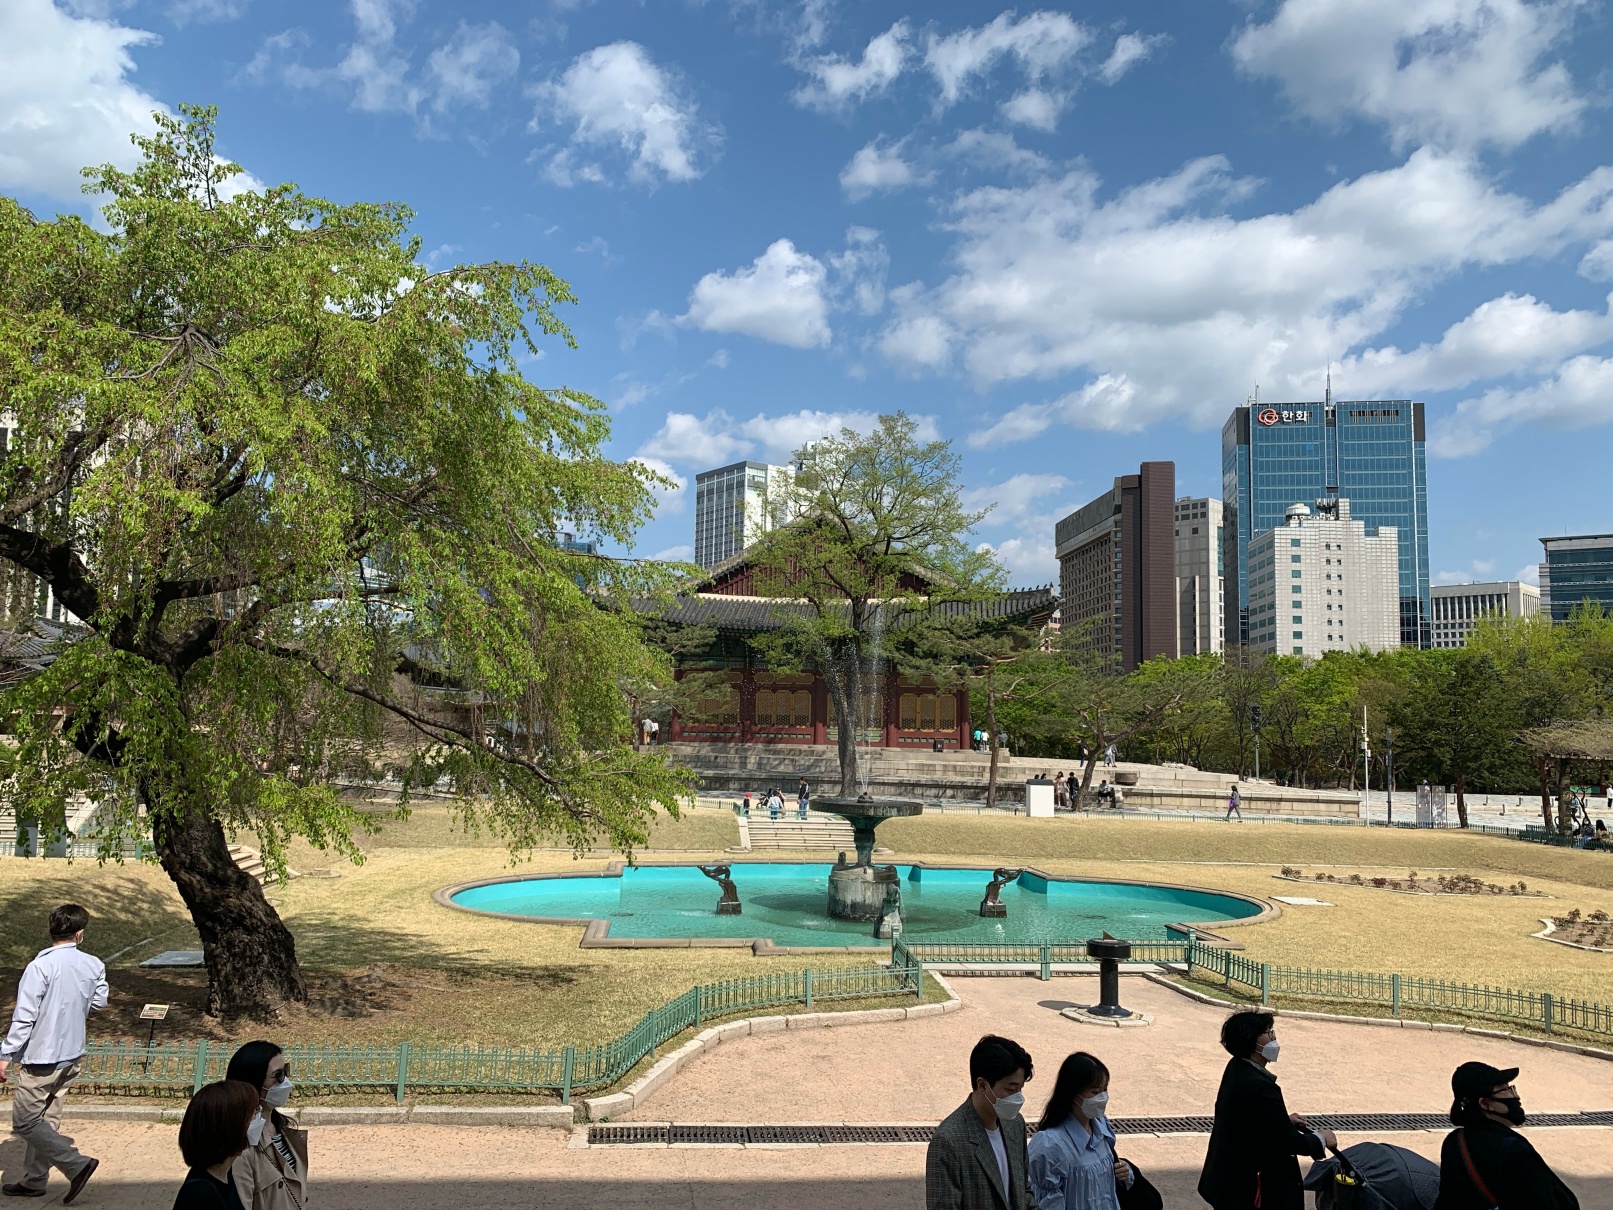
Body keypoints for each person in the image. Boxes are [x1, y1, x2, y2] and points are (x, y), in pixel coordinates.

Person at [0, 904, 107, 1205]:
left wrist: (6, 1054)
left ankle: (76, 1165)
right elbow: (99, 1002)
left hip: (42, 1057)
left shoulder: (40, 967)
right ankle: (35, 1180)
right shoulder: (94, 964)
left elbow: (24, 1016)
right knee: (47, 1120)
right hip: (72, 1053)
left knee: (24, 1122)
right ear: (79, 934)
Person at [1198, 1010, 1334, 1210]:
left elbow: (1250, 1120)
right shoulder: (1259, 1085)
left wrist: (1283, 1120)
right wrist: (1321, 1139)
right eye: (1268, 1032)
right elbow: (1287, 1141)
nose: (1273, 1037)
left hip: (1227, 1182)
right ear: (1251, 1041)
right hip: (1248, 1189)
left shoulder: (1237, 1068)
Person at [1434, 1062, 1578, 1209]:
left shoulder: (1454, 1141)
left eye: (1511, 1088)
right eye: (1505, 1090)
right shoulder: (1514, 1150)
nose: (1515, 1096)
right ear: (1485, 1104)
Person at [926, 1035, 1038, 1210]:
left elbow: (1023, 1191)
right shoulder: (949, 1141)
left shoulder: (1015, 1124)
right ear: (982, 1085)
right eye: (1011, 1089)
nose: (1018, 1097)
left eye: (1020, 1089)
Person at [1029, 1051, 1150, 1210]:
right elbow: (1048, 1202)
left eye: (1105, 1089)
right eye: (1095, 1092)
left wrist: (1126, 1173)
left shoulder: (1101, 1127)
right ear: (1073, 1093)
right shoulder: (1051, 1145)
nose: (1102, 1097)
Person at [225, 1042, 308, 1210]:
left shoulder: (281, 1129)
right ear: (252, 1083)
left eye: (285, 1071)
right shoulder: (240, 1148)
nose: (285, 1081)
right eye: (278, 1075)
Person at [174, 1080, 259, 1209]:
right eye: (254, 1113)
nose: (258, 1118)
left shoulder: (224, 1175)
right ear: (231, 1126)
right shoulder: (200, 1193)